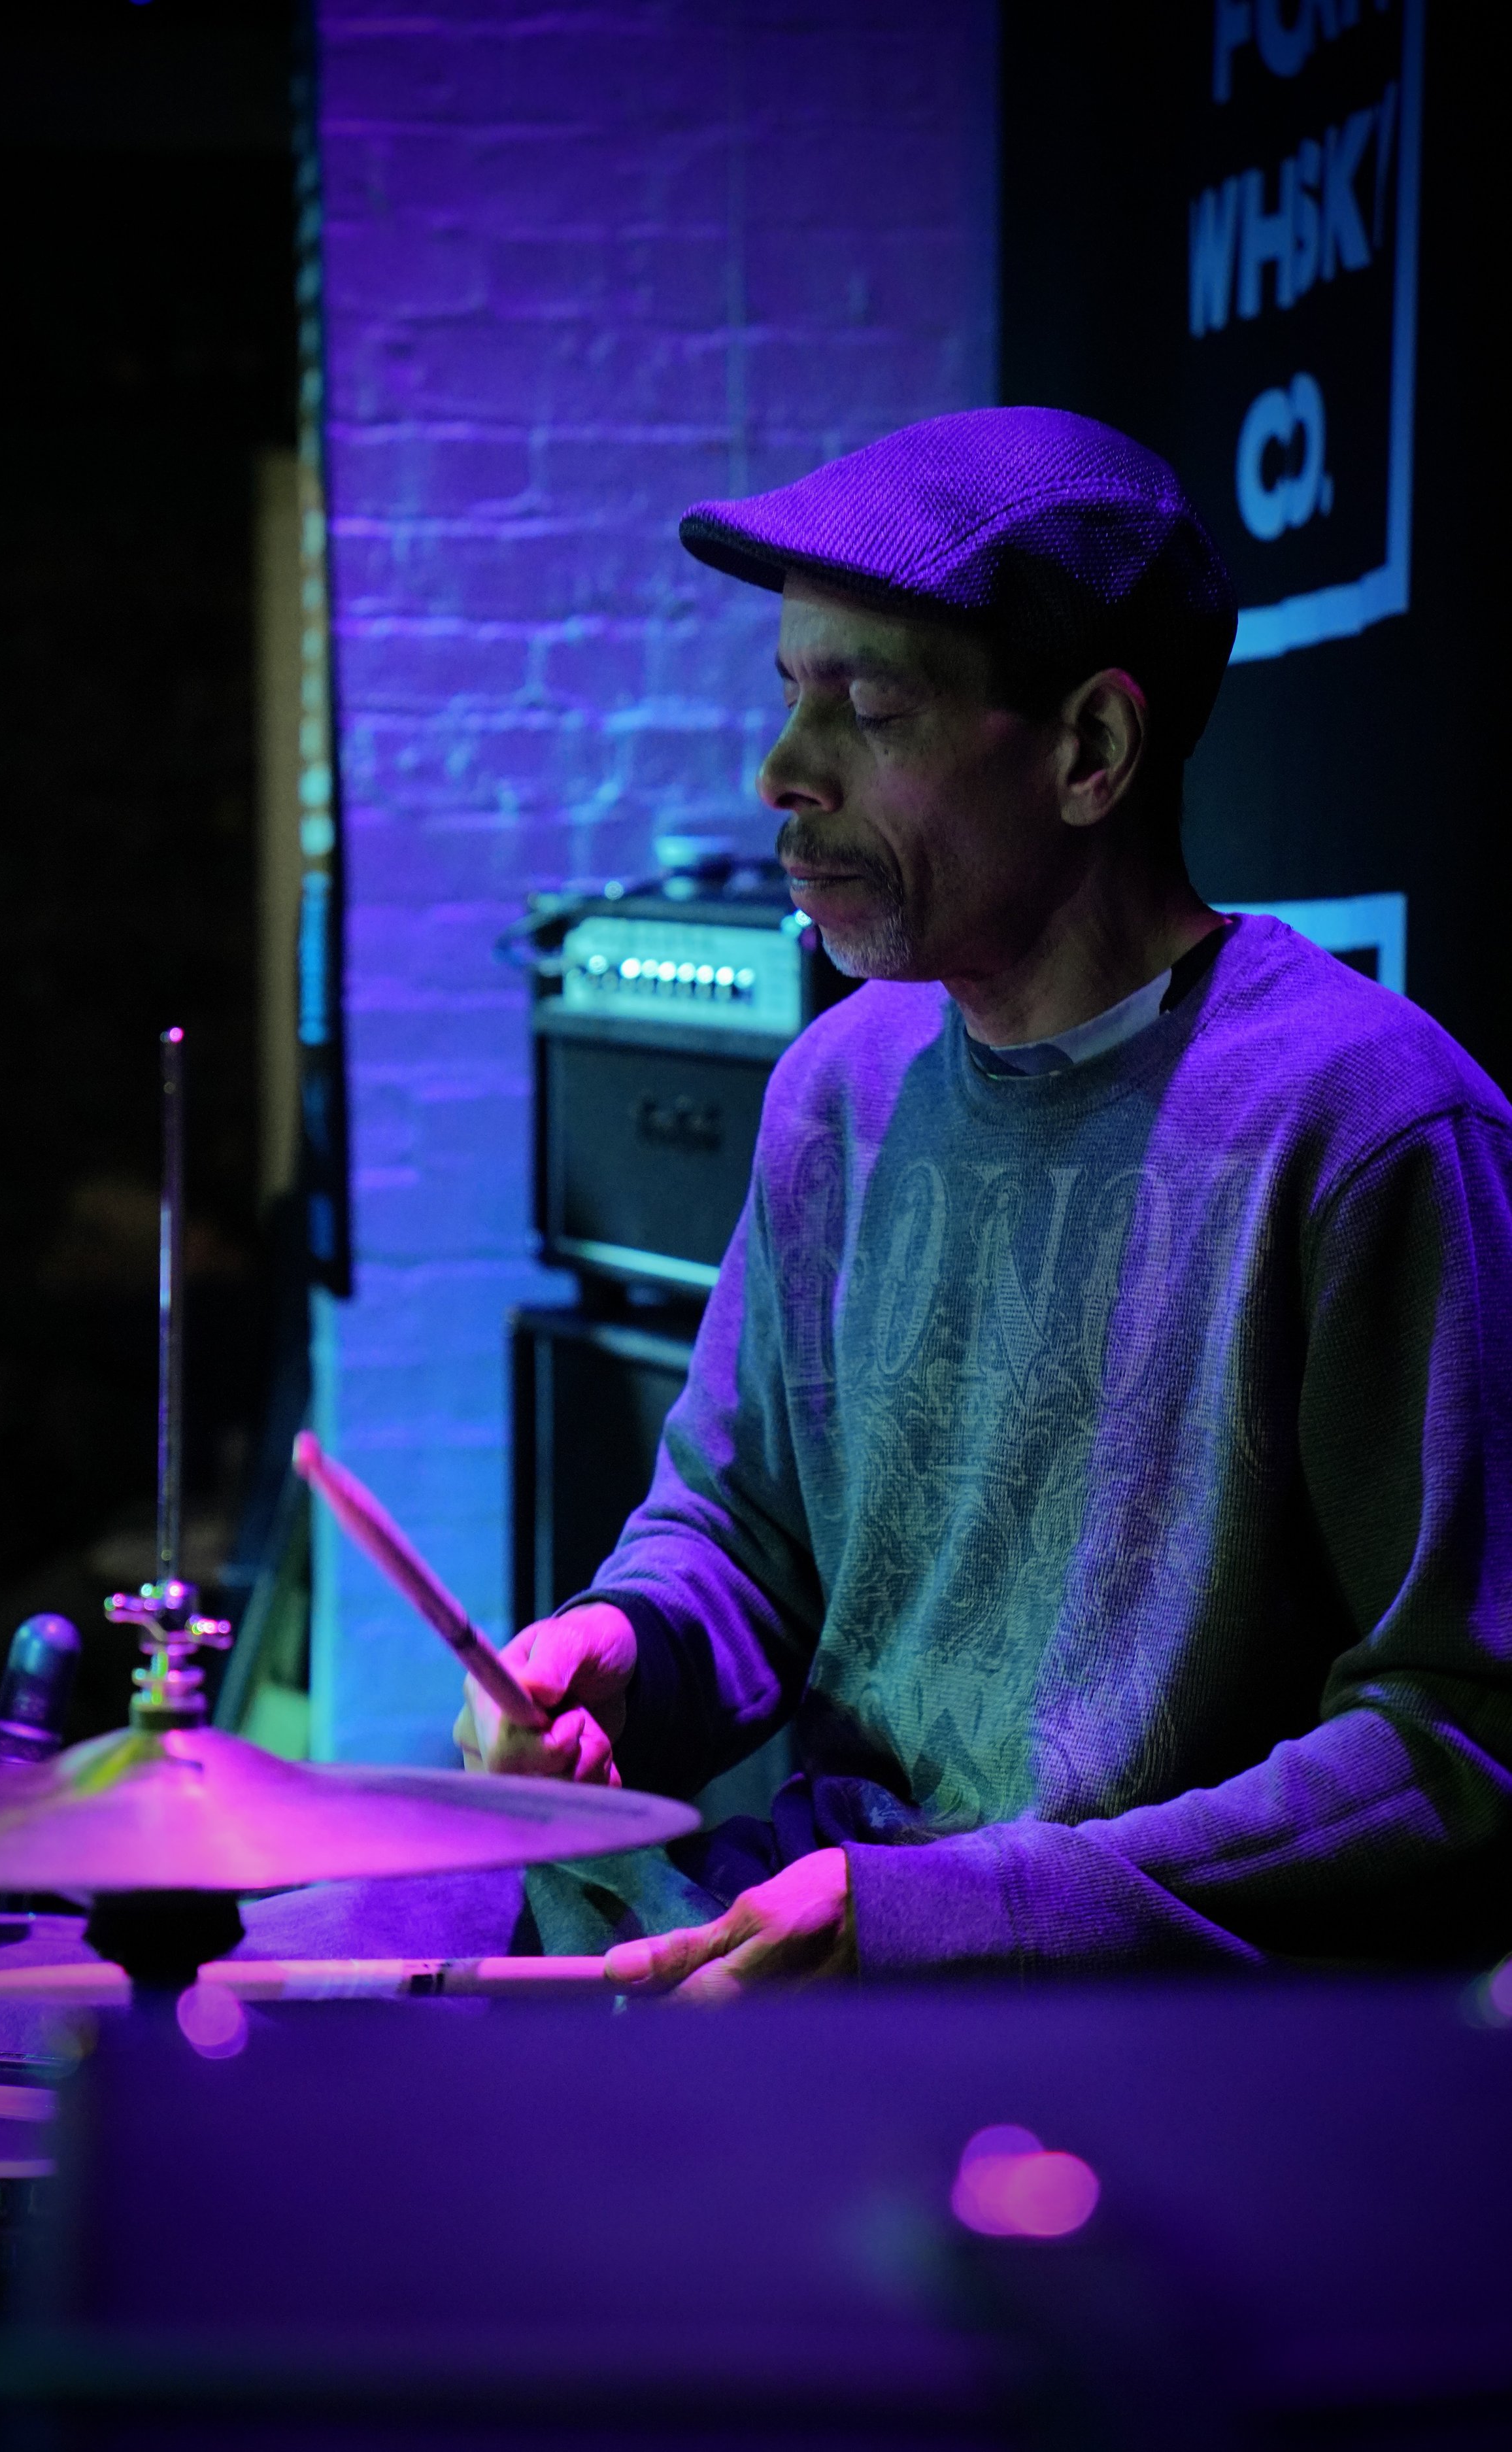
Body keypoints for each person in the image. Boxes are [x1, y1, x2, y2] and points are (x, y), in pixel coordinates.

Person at [244, 407, 1512, 2000]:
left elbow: (1457, 1740)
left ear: (1089, 754)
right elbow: (738, 1534)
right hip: (807, 1917)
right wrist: (612, 1657)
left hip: (1111, 2025)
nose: (782, 774)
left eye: (867, 713)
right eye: (789, 697)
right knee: (235, 2000)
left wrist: (968, 1914)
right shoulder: (836, 1087)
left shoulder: (1363, 1122)